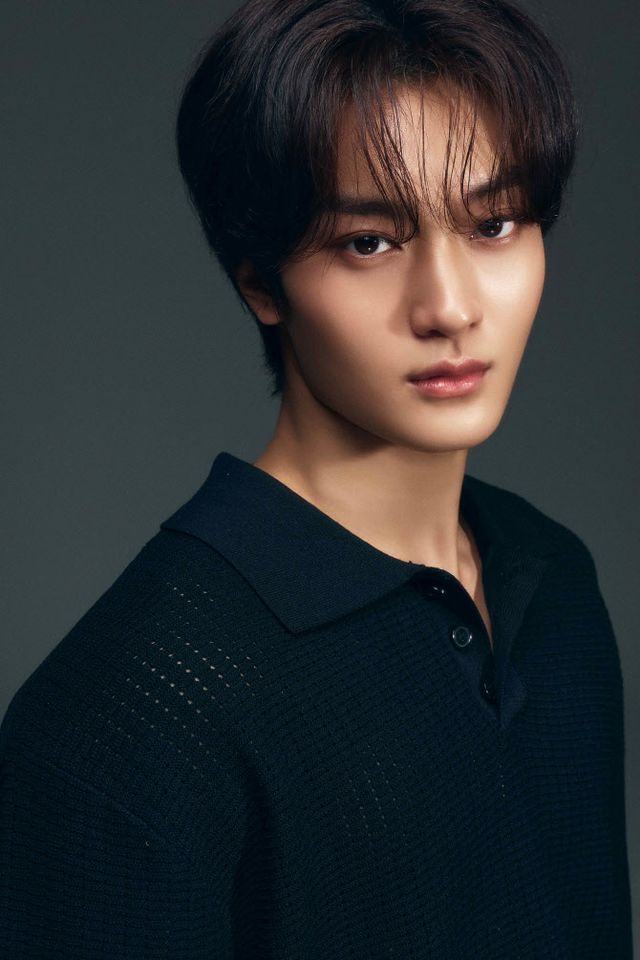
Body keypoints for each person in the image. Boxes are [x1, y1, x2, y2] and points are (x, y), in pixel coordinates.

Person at [0, 0, 633, 956]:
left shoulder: (553, 583)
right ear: (260, 280)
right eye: (369, 242)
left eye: (494, 223)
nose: (450, 306)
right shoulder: (127, 709)